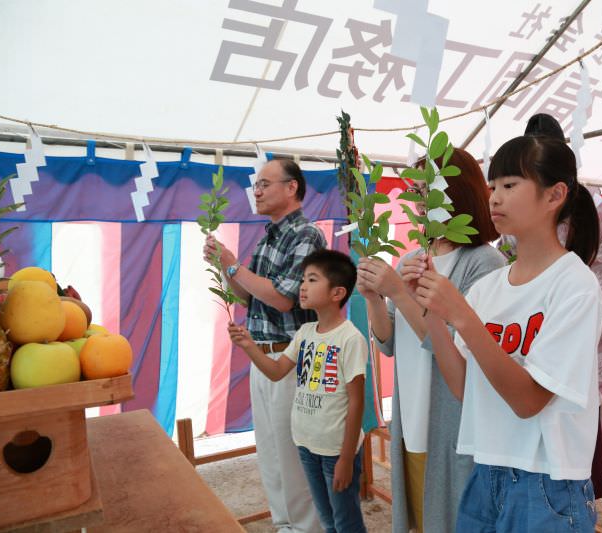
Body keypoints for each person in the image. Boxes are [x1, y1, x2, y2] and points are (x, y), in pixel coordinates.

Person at [406, 135, 602, 531]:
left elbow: (529, 400)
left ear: (555, 195)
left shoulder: (575, 285)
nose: (494, 197)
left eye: (510, 185)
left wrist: (461, 315)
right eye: (492, 186)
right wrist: (432, 313)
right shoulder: (489, 287)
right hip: (486, 467)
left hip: (547, 479)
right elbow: (464, 387)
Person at [356, 148, 504, 533]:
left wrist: (399, 293)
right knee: (422, 514)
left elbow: (455, 347)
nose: (418, 204)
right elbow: (387, 340)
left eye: (426, 193)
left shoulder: (484, 262)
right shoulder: (415, 254)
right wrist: (374, 297)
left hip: (450, 416)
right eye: (415, 193)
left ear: (455, 191)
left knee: (451, 514)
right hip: (413, 409)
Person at [512, 112, 602, 499]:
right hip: (533, 343)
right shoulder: (521, 208)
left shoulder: (601, 214)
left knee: (561, 474)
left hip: (569, 341)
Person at [204, 159, 325, 533]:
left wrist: (234, 265)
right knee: (271, 453)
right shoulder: (270, 235)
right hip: (263, 354)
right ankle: (284, 524)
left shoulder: (306, 234)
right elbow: (247, 297)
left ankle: (306, 528)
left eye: (265, 184)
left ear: (292, 188)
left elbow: (285, 298)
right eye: (256, 185)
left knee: (292, 454)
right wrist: (225, 266)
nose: (256, 191)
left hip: (291, 357)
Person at [228, 250, 367, 533]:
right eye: (303, 279)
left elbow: (356, 402)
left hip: (335, 450)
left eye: (312, 279)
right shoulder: (304, 333)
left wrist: (345, 458)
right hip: (306, 444)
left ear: (337, 292)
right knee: (326, 518)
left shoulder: (350, 338)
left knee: (346, 522)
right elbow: (277, 372)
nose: (302, 286)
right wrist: (249, 346)